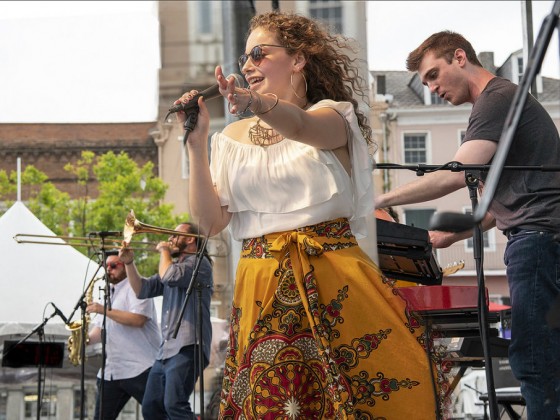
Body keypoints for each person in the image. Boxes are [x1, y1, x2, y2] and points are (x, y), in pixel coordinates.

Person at [174, 11, 448, 419]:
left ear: (298, 59)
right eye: (244, 59)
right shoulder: (230, 139)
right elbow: (211, 223)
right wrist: (196, 145)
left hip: (332, 277)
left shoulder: (335, 116)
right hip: (261, 282)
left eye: (259, 54)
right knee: (276, 404)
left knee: (349, 402)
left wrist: (255, 102)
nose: (248, 66)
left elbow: (300, 125)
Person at [375, 30, 560, 419]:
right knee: (544, 358)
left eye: (433, 75)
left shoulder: (496, 98)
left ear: (460, 57)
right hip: (539, 238)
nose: (431, 87)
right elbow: (500, 207)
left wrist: (379, 199)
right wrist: (449, 236)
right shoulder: (502, 102)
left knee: (534, 361)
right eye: (425, 82)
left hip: (538, 241)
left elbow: (456, 174)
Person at [119, 222, 213, 420]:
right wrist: (129, 263)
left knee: (174, 404)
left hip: (187, 346)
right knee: (151, 408)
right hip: (166, 350)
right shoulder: (173, 266)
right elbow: (141, 289)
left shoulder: (198, 263)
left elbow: (169, 276)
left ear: (190, 239)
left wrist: (164, 251)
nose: (170, 239)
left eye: (174, 235)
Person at [86, 254, 161, 420]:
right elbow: (101, 329)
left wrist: (103, 310)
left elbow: (138, 319)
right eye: (107, 266)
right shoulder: (106, 293)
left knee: (160, 415)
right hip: (112, 371)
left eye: (114, 265)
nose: (108, 270)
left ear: (125, 265)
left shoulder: (138, 288)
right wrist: (85, 340)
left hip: (141, 368)